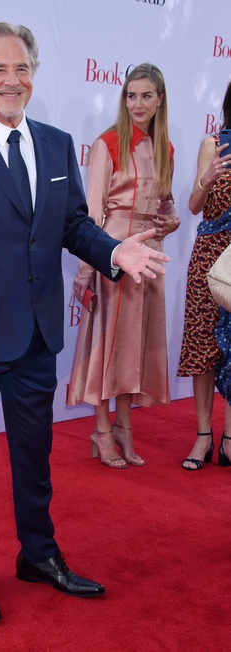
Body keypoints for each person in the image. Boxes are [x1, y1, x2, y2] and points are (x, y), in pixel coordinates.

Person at [0, 24, 169, 623]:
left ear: (33, 76)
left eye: (22, 68)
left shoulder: (56, 146)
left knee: (35, 457)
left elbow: (73, 224)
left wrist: (113, 251)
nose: (12, 80)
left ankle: (38, 553)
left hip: (36, 335)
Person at [67, 64, 180, 469]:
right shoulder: (108, 143)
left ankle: (124, 428)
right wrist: (87, 272)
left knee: (135, 350)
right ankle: (101, 429)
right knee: (107, 347)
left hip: (148, 258)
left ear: (160, 100)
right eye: (131, 95)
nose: (137, 103)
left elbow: (166, 203)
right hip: (112, 254)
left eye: (146, 96)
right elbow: (91, 214)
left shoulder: (165, 148)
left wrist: (171, 219)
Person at [177, 81, 231, 471]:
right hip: (209, 258)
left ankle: (229, 440)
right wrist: (207, 177)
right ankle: (203, 437)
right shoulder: (213, 145)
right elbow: (194, 206)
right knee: (201, 347)